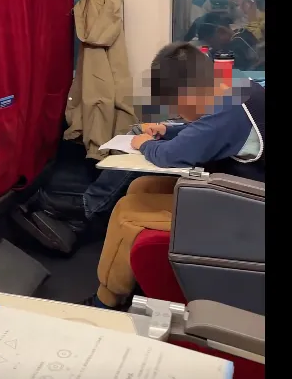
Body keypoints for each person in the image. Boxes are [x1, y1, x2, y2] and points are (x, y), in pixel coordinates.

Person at [86, 42, 265, 308]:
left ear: (189, 94)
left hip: (251, 209)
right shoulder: (239, 88)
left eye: (175, 105)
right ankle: (133, 278)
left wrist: (144, 144)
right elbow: (210, 128)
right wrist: (168, 130)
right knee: (142, 187)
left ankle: (105, 301)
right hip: (242, 190)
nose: (176, 112)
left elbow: (171, 155)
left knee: (126, 212)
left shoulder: (227, 114)